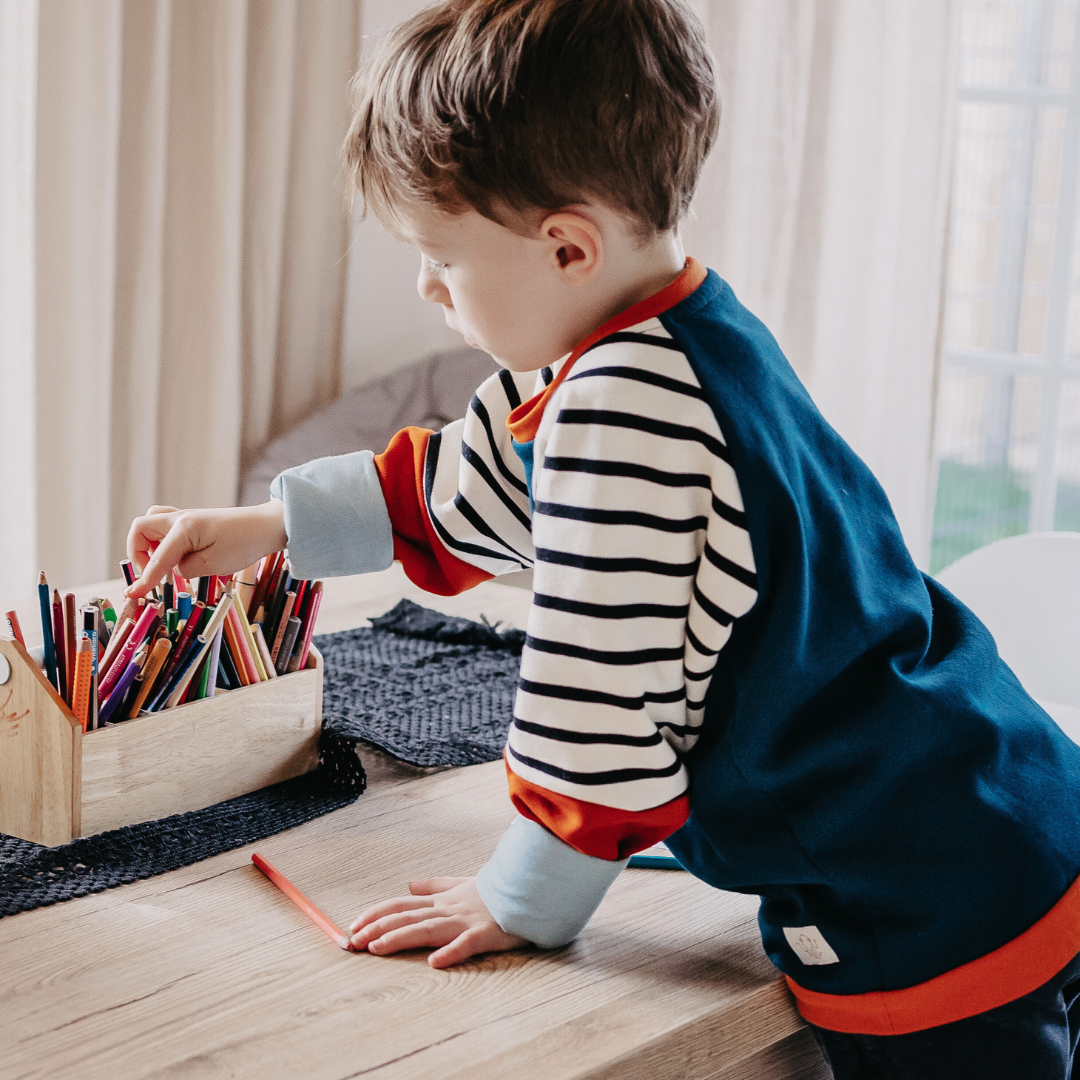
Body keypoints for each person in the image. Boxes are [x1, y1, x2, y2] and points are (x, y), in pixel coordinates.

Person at [124, 1, 1080, 1076]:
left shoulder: (626, 404)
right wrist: (267, 527)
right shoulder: (664, 328)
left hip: (914, 882)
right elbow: (474, 472)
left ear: (567, 245)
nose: (429, 289)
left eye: (442, 258)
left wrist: (520, 899)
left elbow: (597, 708)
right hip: (994, 794)